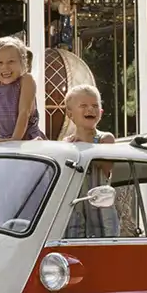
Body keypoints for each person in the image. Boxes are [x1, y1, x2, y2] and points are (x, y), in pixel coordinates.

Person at [62, 84, 120, 238]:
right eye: (83, 106)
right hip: (77, 207)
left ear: (101, 112)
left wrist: (85, 142)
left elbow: (106, 167)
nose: (90, 109)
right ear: (70, 114)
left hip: (101, 209)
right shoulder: (66, 143)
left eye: (95, 105)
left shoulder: (105, 139)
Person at [0, 36, 45, 144]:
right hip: (4, 141)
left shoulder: (26, 81)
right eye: (0, 63)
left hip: (27, 141)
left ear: (22, 62)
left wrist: (15, 140)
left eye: (11, 62)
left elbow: (24, 113)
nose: (5, 67)